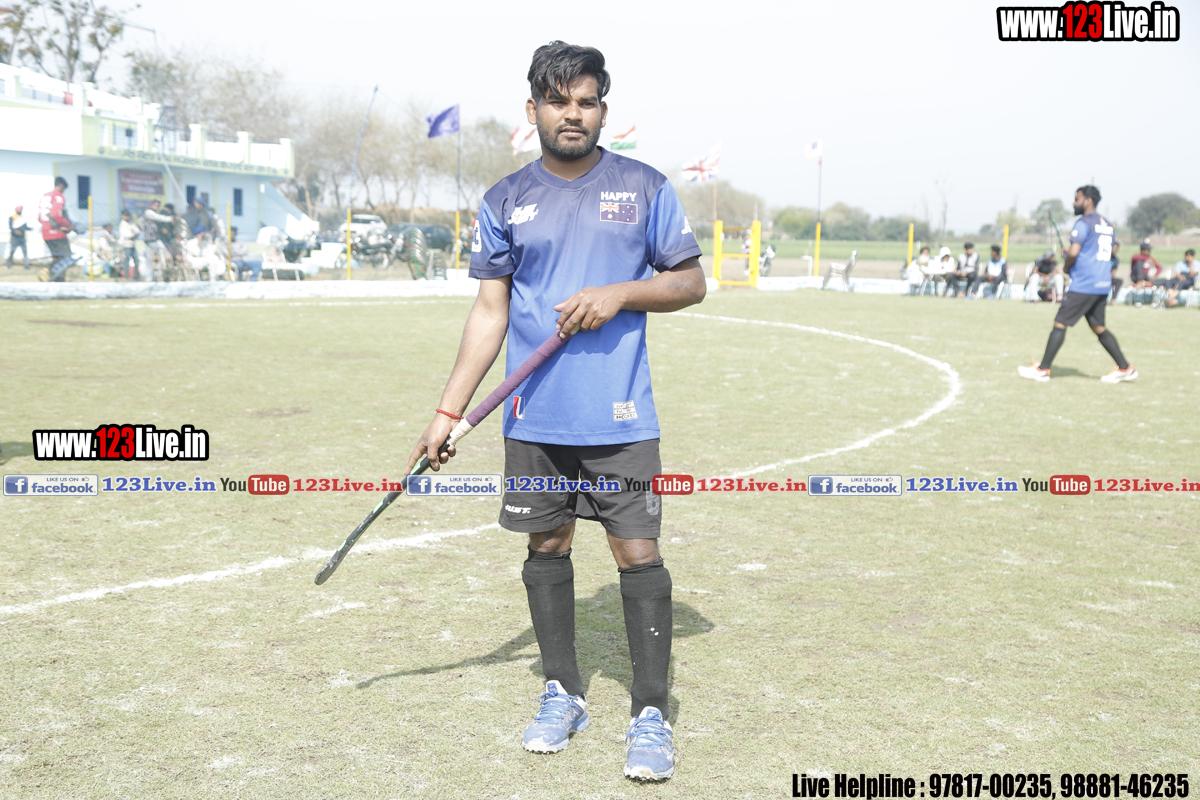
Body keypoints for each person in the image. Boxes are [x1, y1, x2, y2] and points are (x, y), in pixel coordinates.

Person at [406, 41, 704, 782]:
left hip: (620, 416)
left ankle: (651, 711)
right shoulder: (505, 199)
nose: (574, 114)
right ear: (533, 108)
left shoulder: (643, 186)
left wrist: (621, 293)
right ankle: (563, 693)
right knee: (547, 548)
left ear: (603, 110)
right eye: (559, 101)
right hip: (533, 420)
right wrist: (447, 410)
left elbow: (690, 281)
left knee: (638, 556)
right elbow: (490, 312)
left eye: (587, 102)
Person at [1019, 185, 1135, 383]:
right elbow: (1093, 250)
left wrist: (1067, 265)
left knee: (1060, 323)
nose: (1073, 203)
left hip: (1085, 283)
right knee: (1098, 326)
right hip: (1102, 283)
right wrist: (1074, 255)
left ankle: (1043, 369)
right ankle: (1125, 368)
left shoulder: (1083, 223)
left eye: (1077, 199)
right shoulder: (1108, 224)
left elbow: (1074, 252)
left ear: (1088, 200)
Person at [38, 177, 77, 281]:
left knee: (56, 257)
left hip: (45, 232)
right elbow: (55, 214)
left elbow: (39, 217)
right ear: (61, 186)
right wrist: (68, 225)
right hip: (57, 233)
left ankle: (49, 277)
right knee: (65, 258)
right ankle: (58, 280)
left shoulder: (45, 196)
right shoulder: (58, 196)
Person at [141, 200, 174, 277]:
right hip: (150, 239)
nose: (156, 207)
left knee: (160, 256)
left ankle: (158, 275)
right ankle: (150, 277)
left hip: (155, 238)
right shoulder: (149, 212)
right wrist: (172, 218)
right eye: (155, 205)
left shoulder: (155, 213)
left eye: (158, 206)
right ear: (151, 205)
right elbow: (159, 218)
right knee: (154, 256)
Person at [117, 210, 140, 279]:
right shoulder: (122, 224)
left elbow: (137, 231)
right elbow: (126, 235)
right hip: (126, 245)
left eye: (127, 216)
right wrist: (133, 233)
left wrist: (133, 233)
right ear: (122, 216)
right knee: (126, 260)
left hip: (132, 244)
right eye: (125, 216)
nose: (126, 217)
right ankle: (126, 275)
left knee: (136, 260)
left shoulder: (131, 223)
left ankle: (136, 275)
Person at [7, 205, 31, 269]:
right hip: (15, 238)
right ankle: (8, 265)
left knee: (25, 252)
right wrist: (16, 232)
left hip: (22, 238)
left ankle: (26, 266)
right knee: (12, 251)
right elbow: (11, 227)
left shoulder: (22, 218)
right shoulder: (12, 217)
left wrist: (30, 229)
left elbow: (25, 227)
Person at [1107, 240, 1122, 305]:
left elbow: (1113, 271)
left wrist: (1108, 279)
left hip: (1108, 278)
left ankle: (1112, 300)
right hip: (1099, 277)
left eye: (1117, 248)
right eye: (1115, 248)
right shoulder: (1104, 257)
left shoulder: (1115, 260)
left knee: (1119, 281)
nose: (1116, 250)